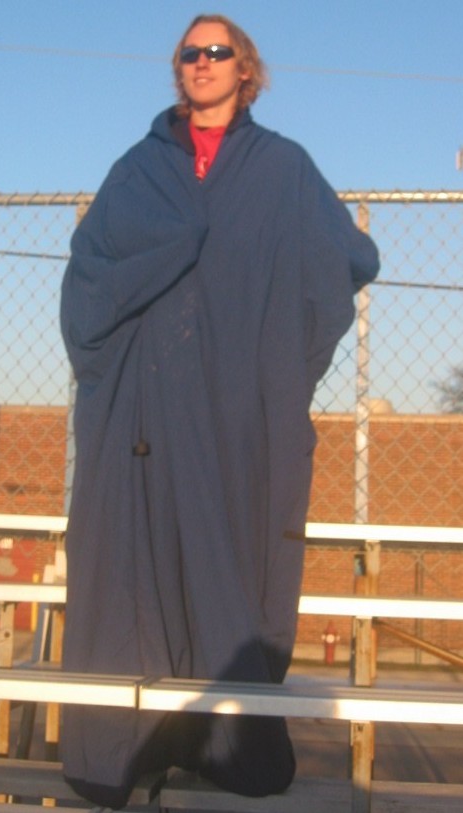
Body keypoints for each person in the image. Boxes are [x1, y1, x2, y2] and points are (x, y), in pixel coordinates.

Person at [60, 13, 380, 809]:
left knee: (234, 555)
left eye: (216, 51)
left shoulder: (281, 169)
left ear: (245, 70)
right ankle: (130, 746)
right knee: (133, 564)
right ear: (178, 69)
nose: (200, 61)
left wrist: (280, 370)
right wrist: (164, 268)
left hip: (240, 408)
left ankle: (225, 745)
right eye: (188, 52)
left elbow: (342, 260)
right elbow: (89, 275)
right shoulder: (138, 169)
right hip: (143, 412)